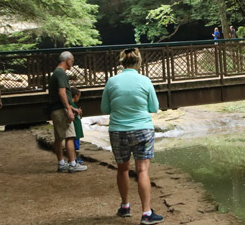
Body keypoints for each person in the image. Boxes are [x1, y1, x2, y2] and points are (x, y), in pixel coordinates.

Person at [101, 48, 164, 224]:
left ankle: (125, 206)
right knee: (143, 169)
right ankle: (146, 213)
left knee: (123, 169)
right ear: (138, 62)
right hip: (142, 129)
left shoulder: (112, 82)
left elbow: (105, 109)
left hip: (118, 130)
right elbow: (153, 107)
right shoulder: (145, 81)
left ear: (122, 63)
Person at [48, 51, 87, 173]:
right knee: (70, 136)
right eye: (72, 61)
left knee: (59, 137)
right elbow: (62, 92)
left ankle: (61, 163)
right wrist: (69, 109)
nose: (72, 63)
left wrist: (72, 107)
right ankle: (72, 163)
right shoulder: (61, 74)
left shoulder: (56, 73)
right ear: (67, 60)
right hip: (61, 110)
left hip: (56, 109)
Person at [70, 87, 85, 164]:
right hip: (75, 128)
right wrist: (77, 113)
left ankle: (74, 158)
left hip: (76, 127)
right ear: (76, 96)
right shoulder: (72, 106)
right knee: (74, 145)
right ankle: (74, 158)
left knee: (75, 144)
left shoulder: (73, 106)